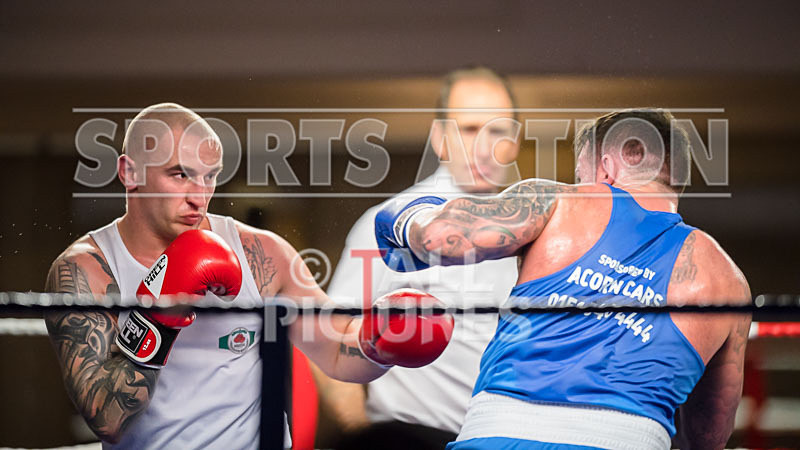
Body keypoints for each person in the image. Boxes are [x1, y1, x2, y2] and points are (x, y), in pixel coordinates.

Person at [43, 103, 451, 449]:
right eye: (180, 174)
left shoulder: (260, 253)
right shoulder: (86, 271)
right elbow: (107, 419)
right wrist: (160, 312)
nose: (198, 195)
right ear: (130, 173)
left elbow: (335, 351)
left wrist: (383, 341)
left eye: (209, 175)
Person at [374, 109, 752, 449]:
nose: (580, 183)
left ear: (606, 167)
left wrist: (402, 216)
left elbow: (439, 237)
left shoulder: (561, 202)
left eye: (581, 173)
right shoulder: (729, 282)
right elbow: (706, 437)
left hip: (502, 436)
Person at [319, 66, 521, 449]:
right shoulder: (391, 223)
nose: (485, 146)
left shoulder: (531, 233)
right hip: (410, 436)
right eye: (469, 129)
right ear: (440, 138)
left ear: (515, 140)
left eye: (498, 130)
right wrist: (364, 435)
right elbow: (330, 339)